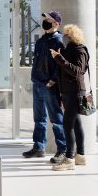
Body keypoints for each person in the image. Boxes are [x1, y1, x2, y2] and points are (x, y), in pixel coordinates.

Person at [22, 11, 67, 163]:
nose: (46, 21)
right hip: (38, 83)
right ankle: (39, 147)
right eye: (45, 19)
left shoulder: (59, 41)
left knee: (56, 119)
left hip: (49, 85)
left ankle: (62, 150)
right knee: (39, 118)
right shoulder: (41, 41)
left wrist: (52, 81)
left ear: (56, 23)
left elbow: (60, 65)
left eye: (49, 19)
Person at [49, 24, 89, 171]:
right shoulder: (68, 50)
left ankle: (70, 159)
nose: (64, 38)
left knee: (67, 124)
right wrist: (60, 57)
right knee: (76, 124)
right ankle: (81, 156)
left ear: (73, 36)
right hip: (66, 92)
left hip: (75, 92)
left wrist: (60, 58)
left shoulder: (80, 50)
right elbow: (63, 73)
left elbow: (78, 71)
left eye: (67, 35)